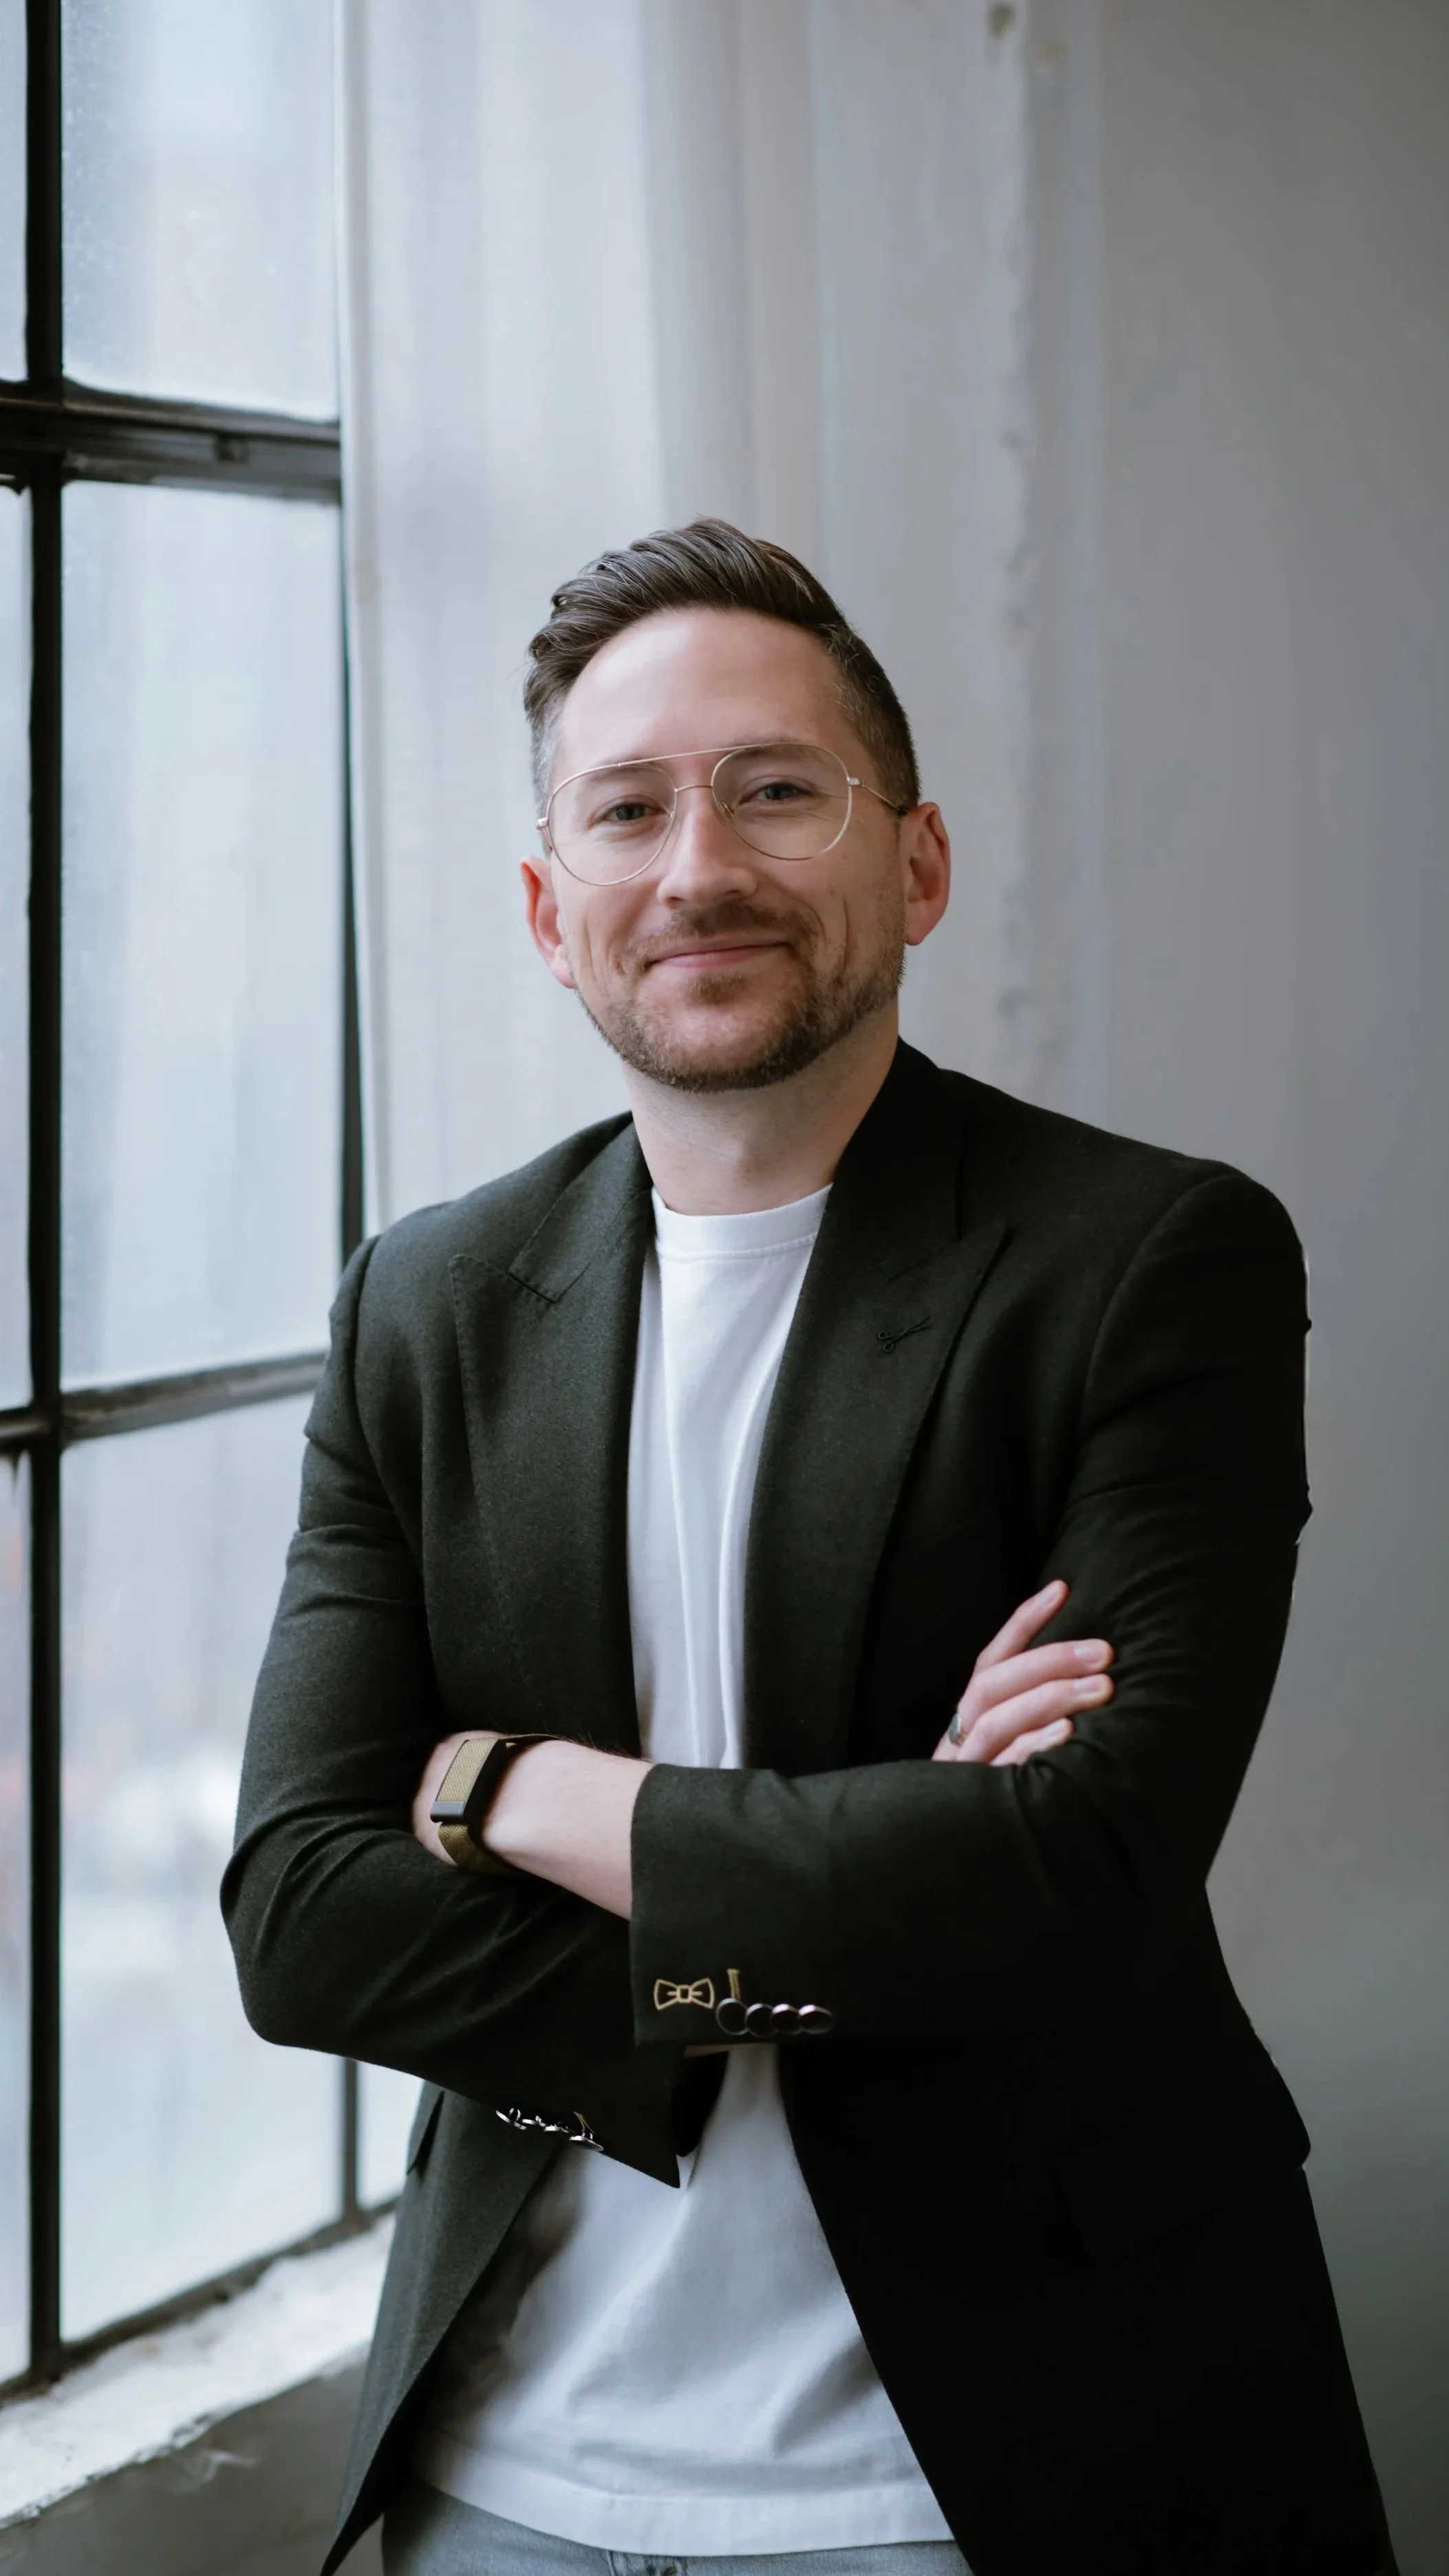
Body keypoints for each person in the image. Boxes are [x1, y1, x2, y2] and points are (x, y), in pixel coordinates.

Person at [224, 520, 1395, 2576]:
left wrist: (515, 1786)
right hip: (512, 2466)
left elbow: (1083, 1871)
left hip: (1008, 2463)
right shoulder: (427, 1300)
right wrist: (874, 1866)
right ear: (547, 904)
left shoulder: (1149, 1263)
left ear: (916, 865)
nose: (701, 869)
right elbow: (301, 1914)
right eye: (629, 809)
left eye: (779, 791)